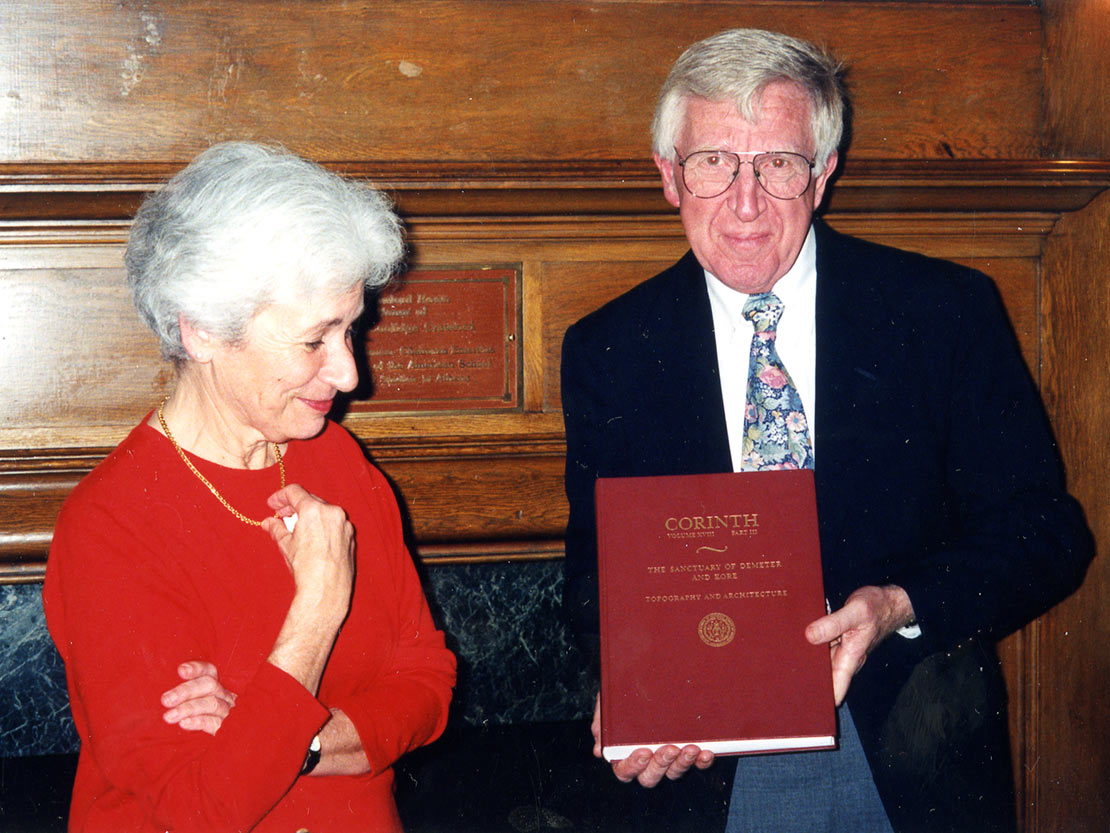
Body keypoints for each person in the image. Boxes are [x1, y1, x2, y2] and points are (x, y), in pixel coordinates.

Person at [560, 29, 1093, 833]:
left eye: (777, 163)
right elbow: (596, 577)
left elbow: (1049, 533)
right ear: (669, 176)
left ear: (824, 173)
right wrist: (635, 694)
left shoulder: (942, 312)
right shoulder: (609, 348)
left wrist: (897, 603)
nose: (746, 202)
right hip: (712, 775)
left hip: (912, 754)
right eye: (713, 162)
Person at [43, 142, 456, 833]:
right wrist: (314, 616)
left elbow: (427, 684)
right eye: (313, 340)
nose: (350, 373)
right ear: (203, 331)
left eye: (349, 330)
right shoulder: (110, 526)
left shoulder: (337, 461)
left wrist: (294, 739)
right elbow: (198, 809)